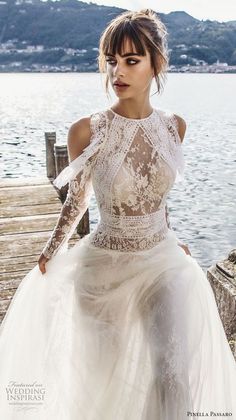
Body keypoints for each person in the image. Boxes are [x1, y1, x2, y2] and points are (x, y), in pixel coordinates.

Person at [0, 8, 235, 420]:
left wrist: (170, 232)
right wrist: (50, 250)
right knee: (99, 379)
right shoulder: (88, 131)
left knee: (171, 374)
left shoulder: (174, 127)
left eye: (131, 60)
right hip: (104, 266)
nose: (118, 72)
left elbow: (158, 196)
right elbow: (77, 202)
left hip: (162, 261)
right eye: (112, 61)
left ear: (155, 63)